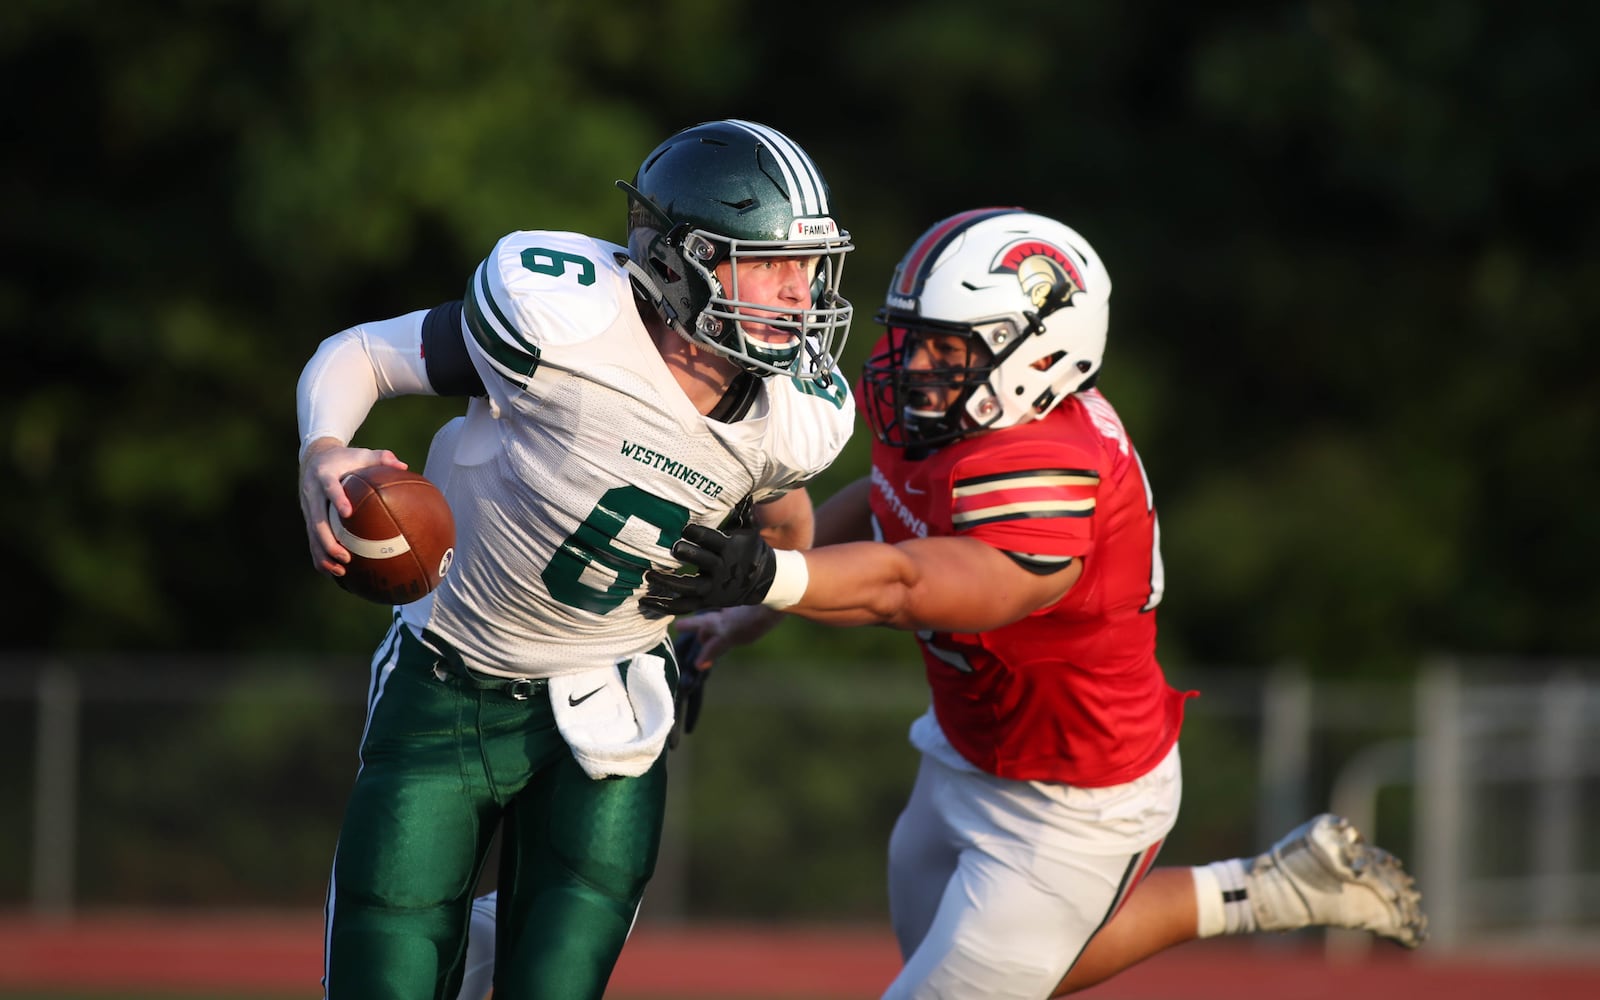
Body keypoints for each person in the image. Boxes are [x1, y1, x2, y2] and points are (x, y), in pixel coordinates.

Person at [641, 207, 1427, 999]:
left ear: (1044, 351)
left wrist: (766, 576)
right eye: (916, 335)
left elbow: (904, 586)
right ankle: (1272, 888)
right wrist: (751, 611)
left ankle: (1262, 895)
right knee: (975, 965)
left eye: (950, 346)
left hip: (1074, 801)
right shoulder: (948, 399)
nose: (914, 363)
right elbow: (883, 500)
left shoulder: (1052, 468)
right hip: (963, 746)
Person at [295, 118, 857, 1000]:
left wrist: (732, 600)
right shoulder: (564, 321)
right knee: (383, 976)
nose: (800, 291)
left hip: (610, 706)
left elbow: (786, 522)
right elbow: (362, 354)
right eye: (770, 262)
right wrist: (323, 450)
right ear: (679, 260)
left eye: (810, 264)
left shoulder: (796, 415)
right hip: (448, 679)